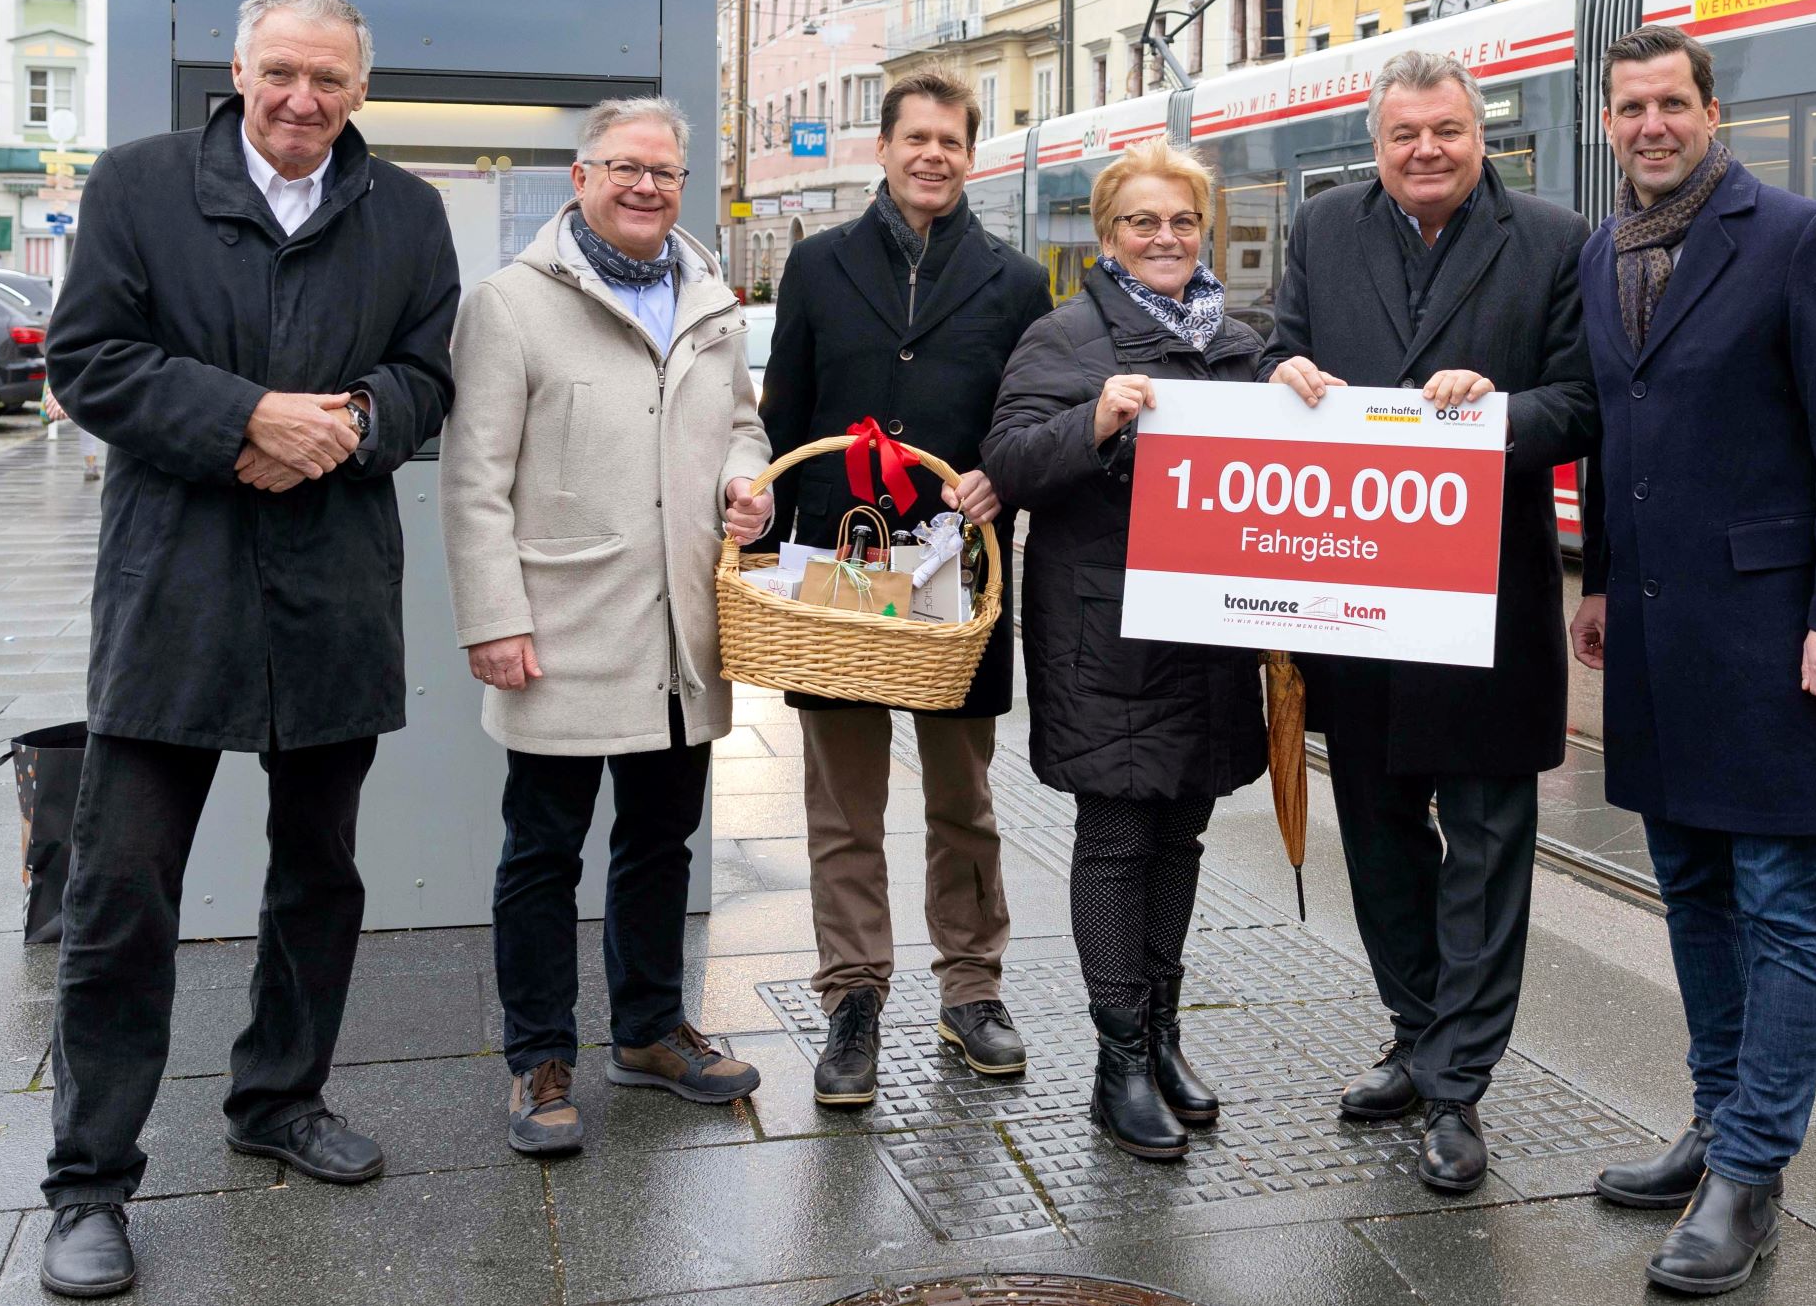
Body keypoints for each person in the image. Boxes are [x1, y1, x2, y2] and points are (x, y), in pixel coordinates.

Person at [35, 0, 459, 1299]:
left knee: (318, 877)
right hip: (176, 593)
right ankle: (89, 1179)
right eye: (281, 71)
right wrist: (245, 418)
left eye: (329, 79)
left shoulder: (409, 211)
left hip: (330, 592)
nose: (301, 98)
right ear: (239, 67)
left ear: (360, 90)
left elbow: (431, 377)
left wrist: (339, 423)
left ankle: (279, 1096)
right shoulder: (138, 185)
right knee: (122, 896)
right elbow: (90, 359)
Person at [1570, 24, 1816, 1295]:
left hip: (1771, 630)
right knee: (1691, 890)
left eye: (1670, 104)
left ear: (1710, 111)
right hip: (1655, 629)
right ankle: (1713, 1123)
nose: (1650, 124)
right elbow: (1612, 426)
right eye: (1629, 107)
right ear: (1607, 123)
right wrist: (1594, 578)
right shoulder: (1604, 251)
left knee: (1779, 903)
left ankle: (1752, 1171)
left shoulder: (1798, 236)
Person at [1261, 49, 1597, 1194]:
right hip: (1354, 597)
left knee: (1490, 849)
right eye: (1403, 134)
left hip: (1487, 605)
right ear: (1375, 140)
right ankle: (1414, 1031)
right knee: (1381, 835)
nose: (1424, 151)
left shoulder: (1552, 239)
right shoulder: (1322, 229)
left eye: (1445, 130)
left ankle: (1459, 1086)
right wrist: (1284, 370)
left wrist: (1497, 410)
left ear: (1479, 132)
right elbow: (1270, 348)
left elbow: (1582, 401)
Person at [442, 96, 775, 1158]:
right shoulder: (510, 304)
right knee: (541, 851)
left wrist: (743, 480)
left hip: (683, 628)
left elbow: (741, 421)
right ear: (580, 176)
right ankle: (539, 1059)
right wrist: (493, 618)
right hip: (561, 629)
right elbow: (473, 480)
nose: (646, 187)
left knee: (659, 841)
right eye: (625, 167)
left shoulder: (710, 295)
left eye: (665, 173)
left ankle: (648, 1031)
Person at [760, 69, 1054, 1106]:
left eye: (952, 142)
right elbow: (785, 419)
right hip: (838, 571)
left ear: (971, 156)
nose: (933, 156)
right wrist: (767, 540)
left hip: (956, 575)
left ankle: (970, 987)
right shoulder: (817, 265)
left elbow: (1030, 418)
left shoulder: (1016, 282)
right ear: (881, 149)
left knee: (963, 799)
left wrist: (1003, 475)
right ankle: (853, 994)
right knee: (842, 803)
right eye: (916, 138)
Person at [983, 141, 1268, 1161]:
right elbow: (1009, 461)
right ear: (1106, 237)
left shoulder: (1237, 341)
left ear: (1204, 231)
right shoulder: (1065, 338)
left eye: (1181, 221)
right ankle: (1117, 1066)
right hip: (1106, 633)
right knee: (1115, 842)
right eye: (1142, 222)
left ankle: (1160, 1035)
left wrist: (1305, 385)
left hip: (1206, 636)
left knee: (1180, 840)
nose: (1164, 238)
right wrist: (1092, 420)